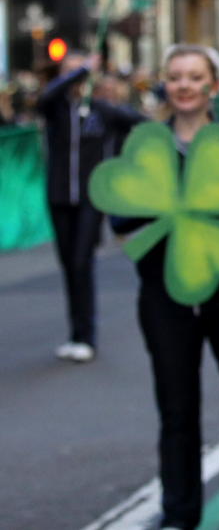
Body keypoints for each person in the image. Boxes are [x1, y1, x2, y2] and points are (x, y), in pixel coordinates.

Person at [110, 44, 219, 530]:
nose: (184, 85)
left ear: (212, 86)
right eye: (175, 76)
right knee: (177, 409)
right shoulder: (146, 144)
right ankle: (180, 514)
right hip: (164, 292)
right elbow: (119, 213)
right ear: (165, 84)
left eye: (194, 76)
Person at [37, 50, 143, 362]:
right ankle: (75, 332)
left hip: (89, 199)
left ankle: (86, 335)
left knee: (82, 262)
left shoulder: (102, 111)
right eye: (69, 71)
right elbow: (47, 96)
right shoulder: (54, 110)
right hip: (58, 197)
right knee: (69, 265)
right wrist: (80, 69)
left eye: (81, 71)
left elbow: (141, 125)